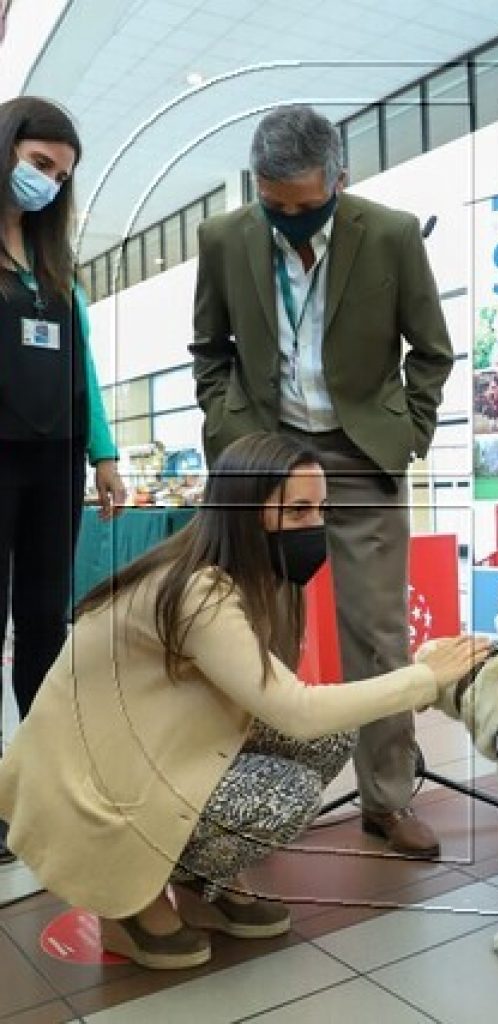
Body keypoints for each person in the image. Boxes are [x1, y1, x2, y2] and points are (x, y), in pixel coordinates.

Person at [0, 433, 489, 969]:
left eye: (321, 509)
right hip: (93, 790)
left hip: (148, 753)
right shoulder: (199, 591)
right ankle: (127, 904)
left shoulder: (241, 576)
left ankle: (194, 873)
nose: (315, 526)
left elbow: (277, 702)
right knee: (289, 787)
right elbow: (294, 710)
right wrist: (424, 678)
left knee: (333, 736)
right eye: (298, 509)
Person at [191, 105, 454, 859]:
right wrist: (230, 432)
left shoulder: (393, 235)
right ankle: (244, 802)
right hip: (266, 458)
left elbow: (431, 352)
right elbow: (210, 350)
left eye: (309, 206)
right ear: (257, 187)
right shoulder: (224, 240)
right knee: (253, 633)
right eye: (277, 207)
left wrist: (408, 433)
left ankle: (389, 798)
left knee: (377, 632)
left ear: (340, 179)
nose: (293, 221)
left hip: (360, 454)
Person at [0, 98, 126, 864]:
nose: (48, 182)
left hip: (55, 464)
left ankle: (41, 783)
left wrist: (104, 455)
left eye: (61, 174)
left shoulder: (57, 269)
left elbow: (84, 369)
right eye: (39, 164)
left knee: (47, 624)